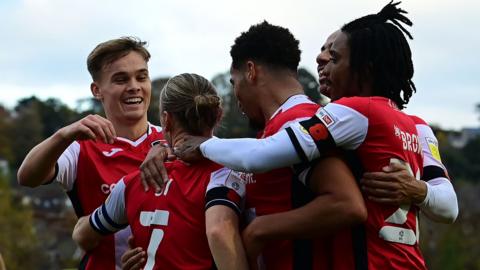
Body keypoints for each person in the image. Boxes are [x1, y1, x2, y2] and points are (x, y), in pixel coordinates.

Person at [177, 2, 457, 269]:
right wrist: (420, 190)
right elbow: (448, 206)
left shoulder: (352, 111)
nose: (322, 59)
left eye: (334, 57)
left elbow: (259, 155)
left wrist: (204, 145)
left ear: (364, 68)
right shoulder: (417, 126)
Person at [72, 73, 248, 270]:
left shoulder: (133, 182)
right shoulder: (224, 175)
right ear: (218, 115)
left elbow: (81, 233)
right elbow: (219, 232)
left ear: (166, 120)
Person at [17, 37, 165, 269]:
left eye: (141, 76)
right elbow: (27, 177)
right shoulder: (80, 148)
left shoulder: (172, 141)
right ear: (97, 90)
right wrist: (64, 134)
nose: (134, 86)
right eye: (120, 79)